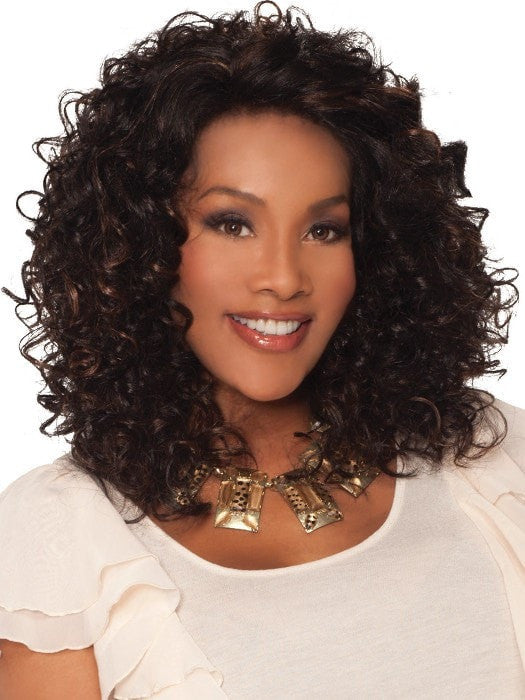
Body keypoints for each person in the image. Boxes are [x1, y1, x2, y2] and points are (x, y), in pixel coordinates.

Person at [0, 2, 523, 697]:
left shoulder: (494, 460)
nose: (282, 277)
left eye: (324, 230)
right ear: (139, 242)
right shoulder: (63, 536)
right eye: (232, 223)